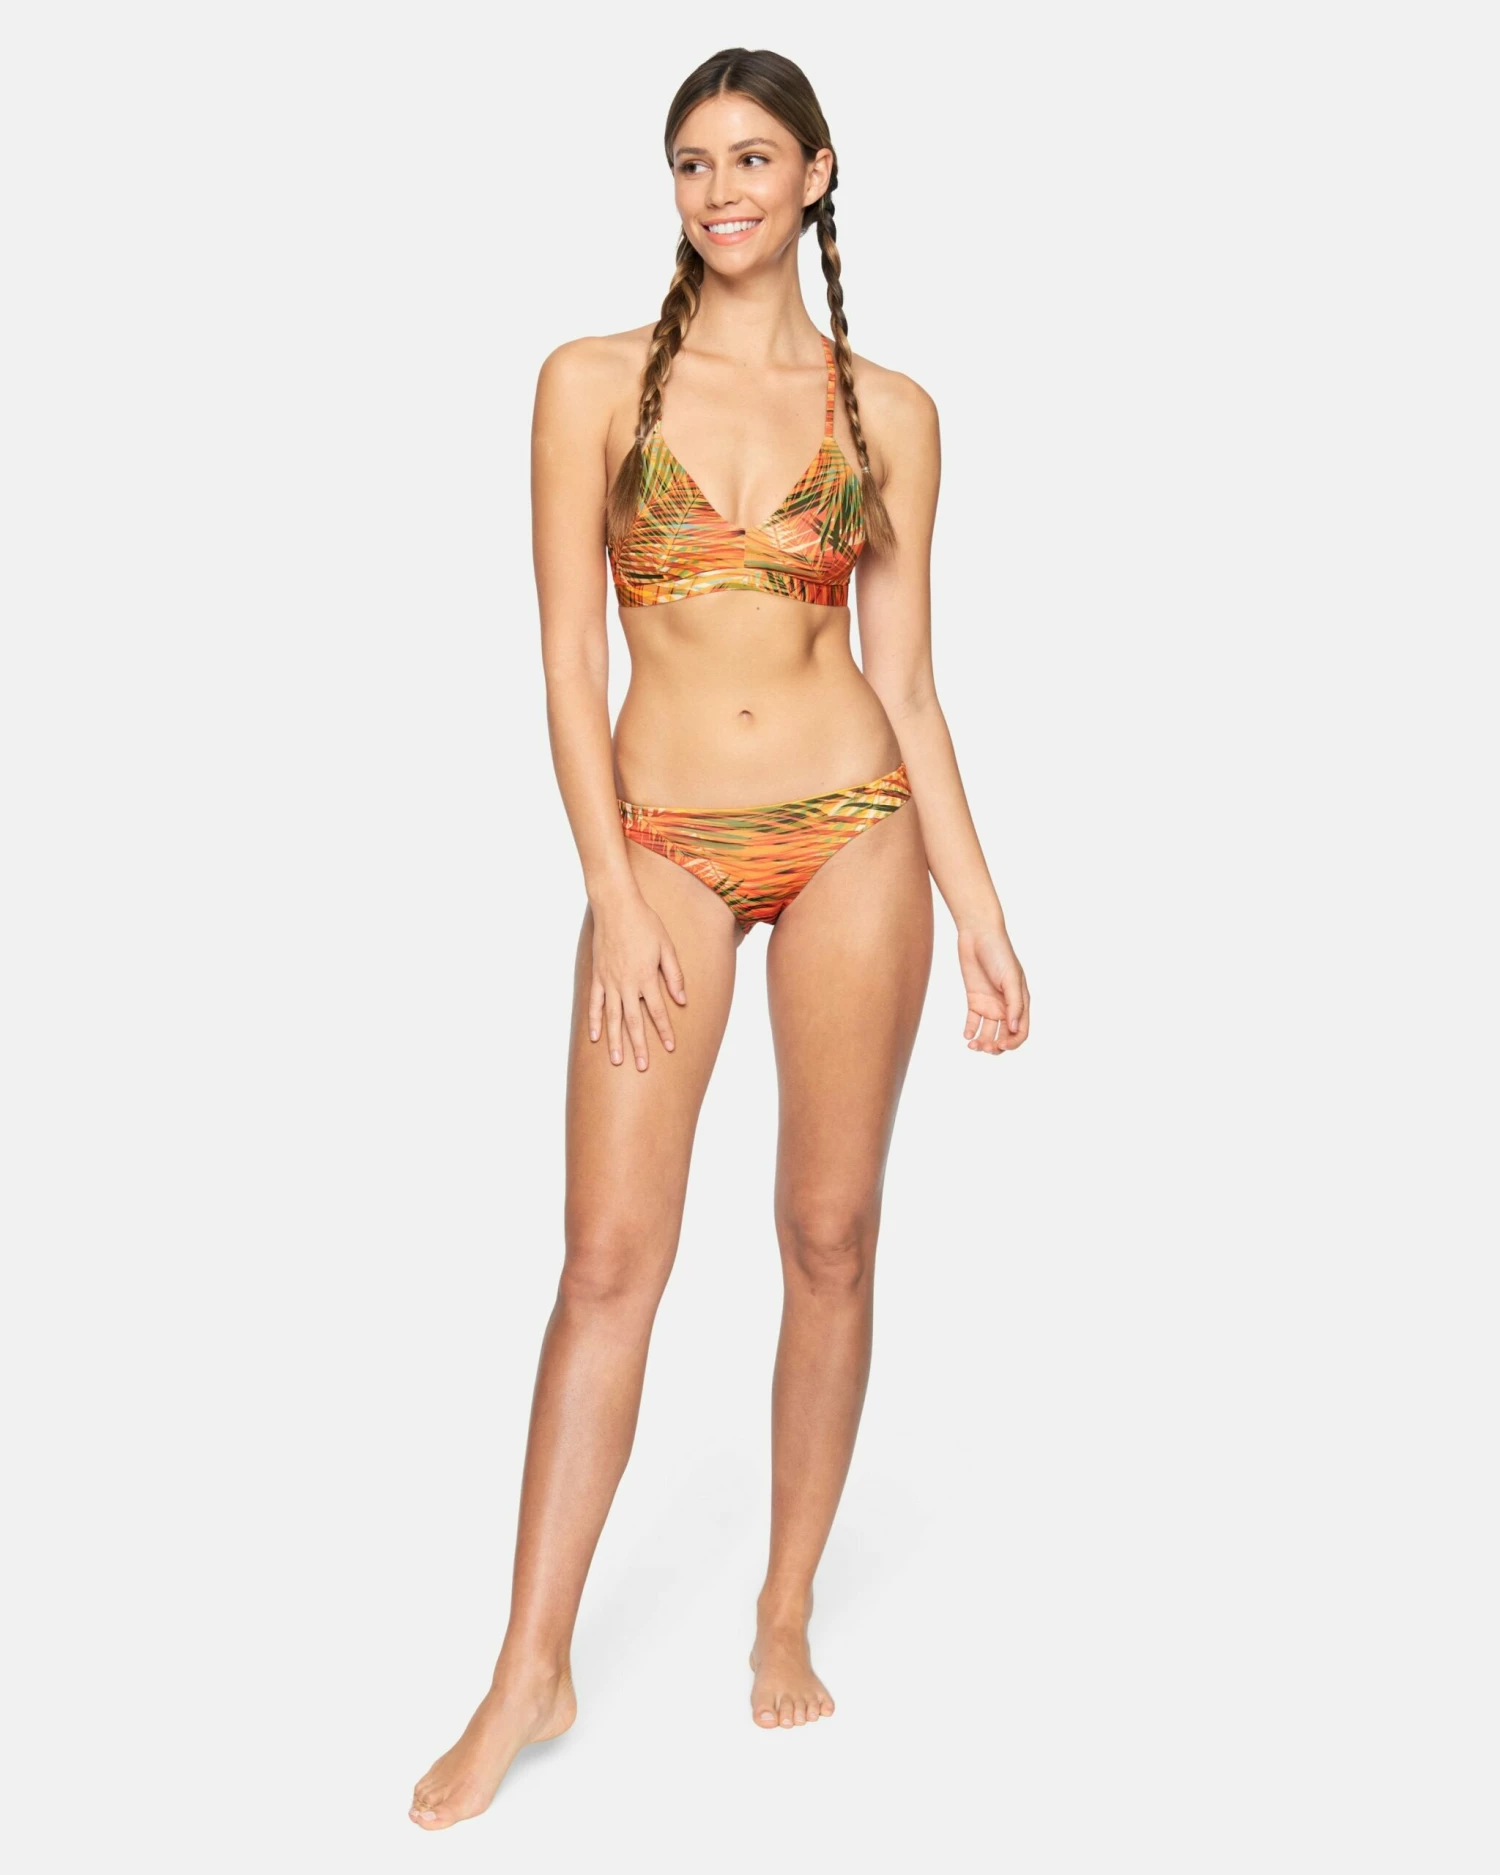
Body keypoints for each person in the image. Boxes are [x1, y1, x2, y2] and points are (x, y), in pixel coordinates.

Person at [410, 45, 1029, 1831]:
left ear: (817, 174)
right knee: (609, 1262)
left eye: (754, 158)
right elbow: (561, 660)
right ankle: (530, 1665)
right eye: (692, 162)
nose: (720, 190)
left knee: (829, 1233)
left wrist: (982, 911)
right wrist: (612, 892)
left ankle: (783, 1603)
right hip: (662, 844)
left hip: (854, 833)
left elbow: (911, 684)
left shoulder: (891, 410)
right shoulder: (589, 381)